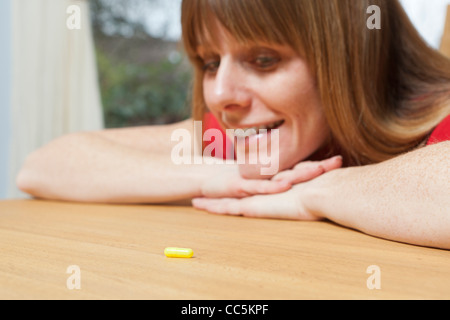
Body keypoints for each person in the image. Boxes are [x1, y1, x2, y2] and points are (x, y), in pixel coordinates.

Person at [17, 0, 450, 249]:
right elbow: (43, 166)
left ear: (353, 57)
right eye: (209, 62)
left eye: (264, 60)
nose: (222, 95)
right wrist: (217, 175)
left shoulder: (436, 116)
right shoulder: (254, 139)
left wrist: (311, 193)